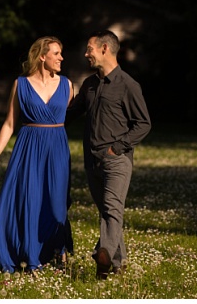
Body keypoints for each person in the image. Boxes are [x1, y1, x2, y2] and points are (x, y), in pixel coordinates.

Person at [71, 31, 151, 280]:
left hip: (116, 159)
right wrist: (41, 115)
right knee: (108, 213)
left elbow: (143, 123)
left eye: (89, 49)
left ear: (104, 49)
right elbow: (71, 113)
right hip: (91, 160)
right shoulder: (90, 84)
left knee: (112, 210)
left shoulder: (128, 85)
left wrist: (118, 147)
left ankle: (103, 255)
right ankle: (118, 265)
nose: (86, 54)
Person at [0, 37, 74, 273]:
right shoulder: (21, 84)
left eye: (61, 53)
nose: (61, 58)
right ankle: (29, 256)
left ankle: (58, 253)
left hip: (57, 149)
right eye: (56, 53)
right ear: (42, 57)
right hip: (28, 149)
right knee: (30, 201)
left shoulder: (67, 85)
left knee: (57, 205)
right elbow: (9, 124)